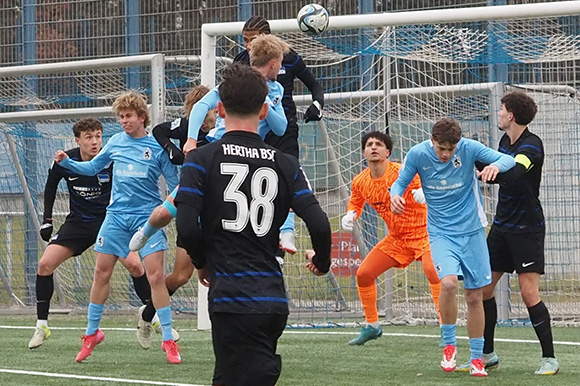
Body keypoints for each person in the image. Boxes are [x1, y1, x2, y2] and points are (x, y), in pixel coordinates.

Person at [175, 63, 332, 386]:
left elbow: (188, 226)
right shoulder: (286, 163)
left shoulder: (202, 160)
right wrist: (323, 261)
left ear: (219, 110)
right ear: (264, 111)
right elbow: (319, 223)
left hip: (232, 298)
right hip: (272, 299)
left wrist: (202, 263)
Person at [54, 91, 181, 364]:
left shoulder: (157, 148)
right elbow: (92, 168)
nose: (124, 121)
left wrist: (179, 210)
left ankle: (168, 340)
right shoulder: (115, 142)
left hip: (147, 220)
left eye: (128, 116)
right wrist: (67, 163)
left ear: (142, 117)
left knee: (156, 277)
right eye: (121, 117)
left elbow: (175, 185)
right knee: (101, 272)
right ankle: (91, 335)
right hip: (115, 218)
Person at [132, 34, 289, 252]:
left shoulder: (275, 91)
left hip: (249, 154)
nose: (281, 66)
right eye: (281, 62)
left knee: (263, 199)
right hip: (218, 149)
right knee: (169, 210)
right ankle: (146, 230)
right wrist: (191, 140)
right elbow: (200, 106)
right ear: (273, 63)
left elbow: (281, 127)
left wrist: (264, 103)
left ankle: (284, 236)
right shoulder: (237, 84)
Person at [390, 118, 516, 377]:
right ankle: (449, 345)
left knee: (474, 295)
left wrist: (493, 166)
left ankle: (477, 359)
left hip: (472, 233)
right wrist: (395, 195)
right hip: (441, 233)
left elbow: (509, 160)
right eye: (442, 148)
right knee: (447, 283)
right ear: (432, 140)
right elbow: (400, 182)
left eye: (451, 149)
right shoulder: (417, 154)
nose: (446, 154)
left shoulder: (469, 148)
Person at [28, 118, 152, 349]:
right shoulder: (65, 160)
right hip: (79, 224)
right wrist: (46, 220)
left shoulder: (111, 158)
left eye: (98, 136)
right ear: (77, 140)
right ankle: (42, 325)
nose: (95, 142)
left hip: (111, 222)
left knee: (136, 266)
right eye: (89, 137)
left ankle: (151, 316)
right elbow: (50, 187)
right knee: (45, 264)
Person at [459, 92, 558, 375]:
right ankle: (487, 354)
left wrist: (492, 172)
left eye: (501, 109)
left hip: (527, 230)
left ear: (511, 115)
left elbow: (515, 172)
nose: (498, 114)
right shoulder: (504, 142)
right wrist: (468, 158)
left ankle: (549, 358)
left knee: (529, 294)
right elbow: (491, 165)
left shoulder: (532, 146)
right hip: (501, 228)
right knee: (484, 289)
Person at [132, 85, 216, 348]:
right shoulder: (187, 127)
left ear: (217, 110)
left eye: (208, 116)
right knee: (180, 276)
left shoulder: (223, 130)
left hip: (218, 209)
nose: (204, 124)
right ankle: (148, 313)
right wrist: (171, 148)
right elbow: (159, 130)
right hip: (191, 205)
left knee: (221, 272)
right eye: (198, 119)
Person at [233, 15, 325, 254]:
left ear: (266, 38)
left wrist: (317, 104)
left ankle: (287, 232)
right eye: (244, 40)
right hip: (255, 129)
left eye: (252, 40)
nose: (248, 45)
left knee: (286, 175)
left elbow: (315, 85)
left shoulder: (290, 58)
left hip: (284, 128)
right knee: (256, 182)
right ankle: (261, 234)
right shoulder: (241, 62)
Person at [342, 131, 442, 346]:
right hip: (397, 238)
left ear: (388, 152)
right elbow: (356, 202)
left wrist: (423, 195)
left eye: (379, 144)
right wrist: (351, 214)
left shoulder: (401, 172)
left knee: (433, 270)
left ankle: (446, 327)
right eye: (369, 144)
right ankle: (372, 326)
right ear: (363, 152)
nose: (374, 147)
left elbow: (424, 188)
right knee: (364, 273)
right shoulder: (360, 181)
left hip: (425, 232)